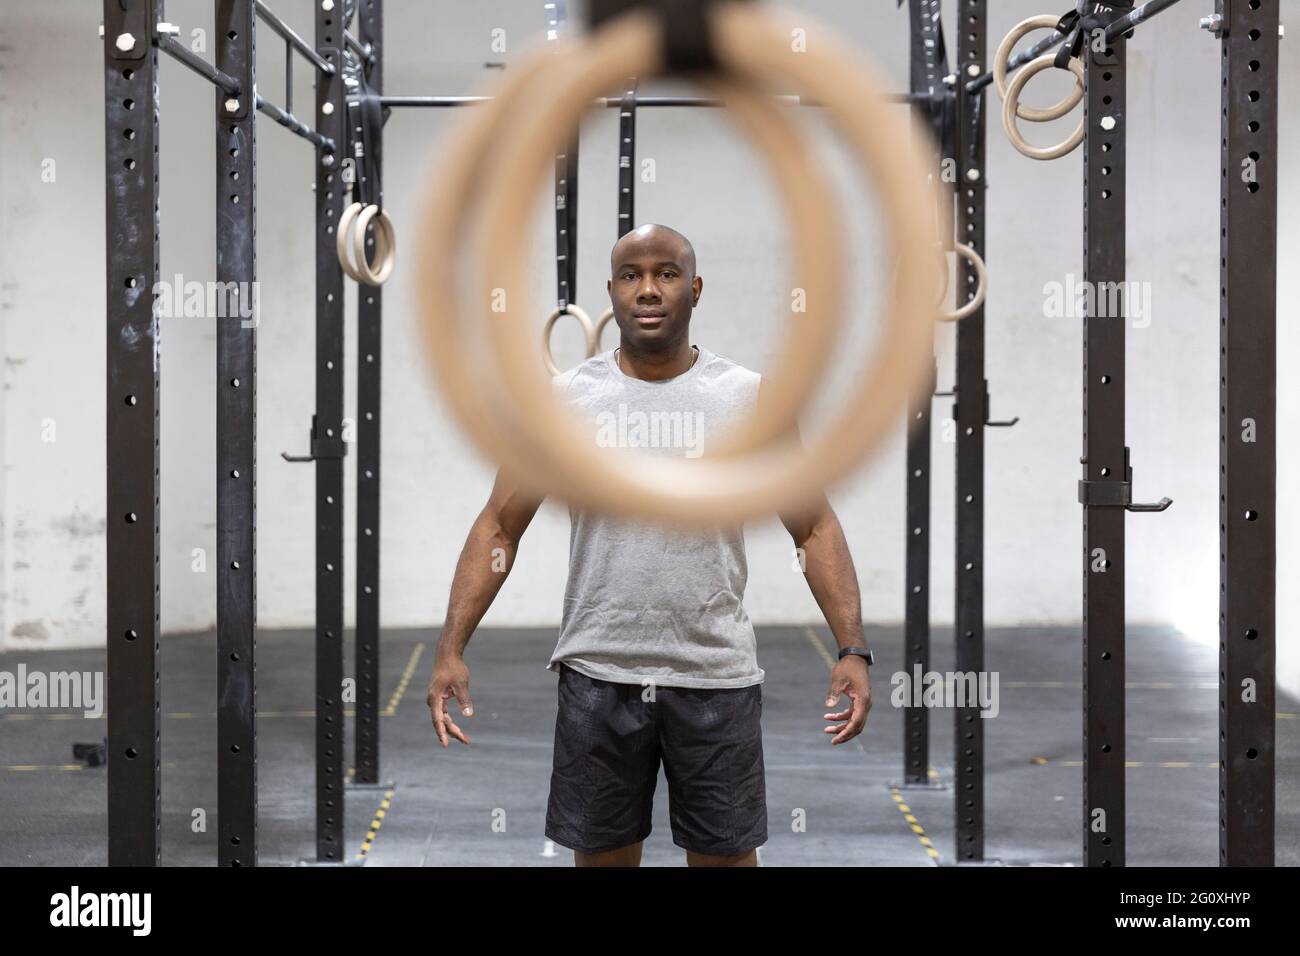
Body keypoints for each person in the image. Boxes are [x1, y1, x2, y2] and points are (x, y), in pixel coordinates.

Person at [426, 224, 873, 867]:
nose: (648, 289)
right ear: (611, 294)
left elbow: (813, 525)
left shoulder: (747, 399)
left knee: (724, 860)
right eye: (631, 275)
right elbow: (499, 525)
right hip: (598, 675)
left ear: (694, 289)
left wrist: (853, 647)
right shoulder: (563, 403)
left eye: (666, 273)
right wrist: (450, 649)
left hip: (714, 676)